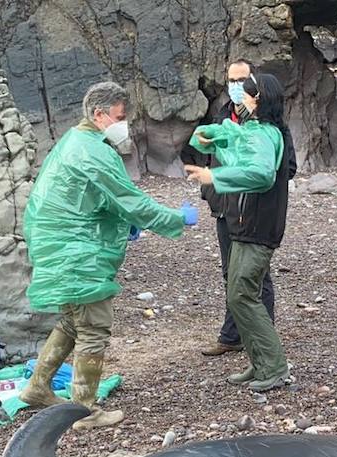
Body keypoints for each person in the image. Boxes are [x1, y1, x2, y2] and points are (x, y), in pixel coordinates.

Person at [20, 81, 196, 430]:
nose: (123, 125)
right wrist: (175, 219)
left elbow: (92, 198)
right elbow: (130, 200)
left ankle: (37, 388)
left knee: (73, 321)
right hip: (76, 253)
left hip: (58, 245)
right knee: (94, 329)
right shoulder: (93, 152)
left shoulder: (75, 142)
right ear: (98, 114)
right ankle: (84, 410)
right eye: (118, 117)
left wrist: (121, 222)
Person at [185, 72, 292, 393]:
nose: (240, 99)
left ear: (258, 99)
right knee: (240, 293)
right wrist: (210, 136)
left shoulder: (264, 134)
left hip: (257, 226)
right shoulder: (261, 130)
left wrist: (213, 177)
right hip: (249, 225)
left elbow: (259, 174)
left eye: (246, 94)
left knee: (242, 295)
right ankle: (260, 363)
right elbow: (237, 148)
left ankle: (274, 367)